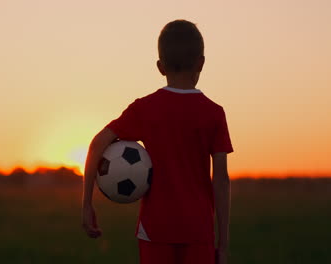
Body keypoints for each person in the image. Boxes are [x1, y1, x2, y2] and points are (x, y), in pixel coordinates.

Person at [81, 19, 233, 264]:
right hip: (198, 231)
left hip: (155, 231)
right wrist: (223, 246)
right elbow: (221, 180)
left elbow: (97, 144)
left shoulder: (144, 109)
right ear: (201, 63)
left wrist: (87, 203)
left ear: (160, 67)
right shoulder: (214, 113)